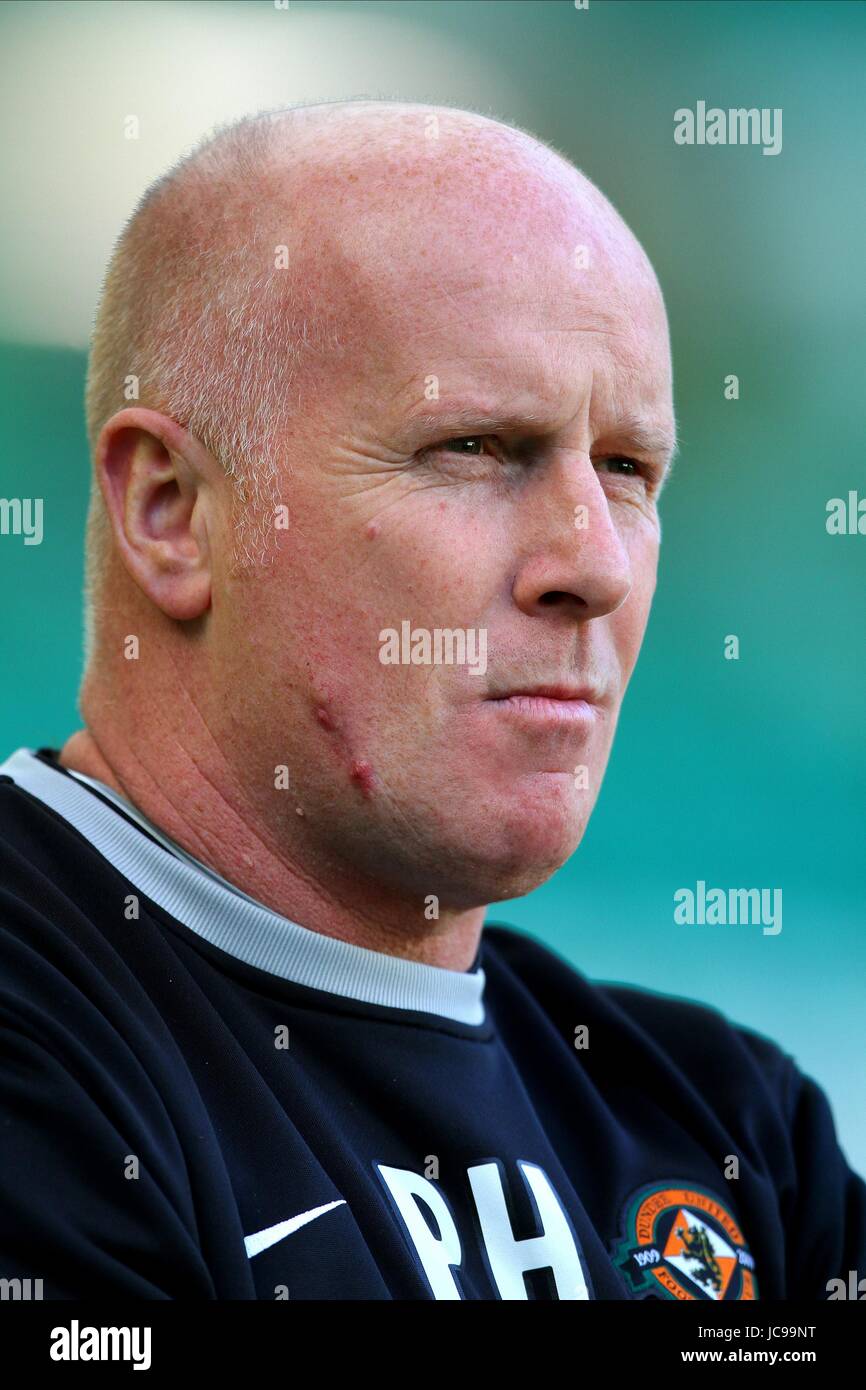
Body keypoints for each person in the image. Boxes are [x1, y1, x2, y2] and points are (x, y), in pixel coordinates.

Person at [1, 99, 862, 1301]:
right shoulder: (41, 1038)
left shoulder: (735, 1131)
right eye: (474, 447)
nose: (593, 563)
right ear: (171, 512)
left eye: (626, 468)